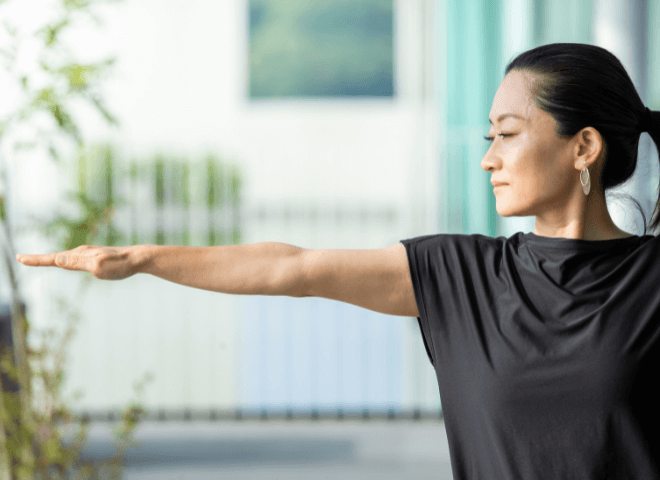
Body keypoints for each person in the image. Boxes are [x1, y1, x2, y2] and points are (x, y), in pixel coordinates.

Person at [15, 42, 660, 479]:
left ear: (584, 147)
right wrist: (143, 257)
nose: (489, 157)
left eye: (509, 134)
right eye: (489, 136)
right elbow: (293, 268)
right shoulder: (459, 274)